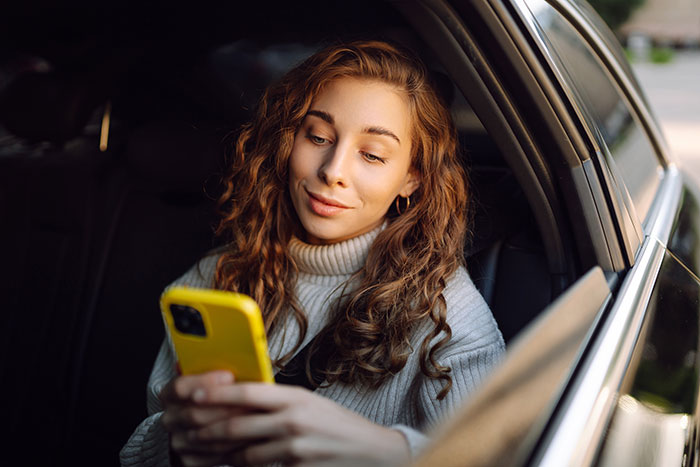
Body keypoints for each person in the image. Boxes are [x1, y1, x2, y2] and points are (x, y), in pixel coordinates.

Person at [121, 40, 504, 467]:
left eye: (372, 155)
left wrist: (392, 453)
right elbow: (149, 442)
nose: (332, 170)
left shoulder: (449, 322)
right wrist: (177, 442)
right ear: (289, 142)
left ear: (412, 178)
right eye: (318, 136)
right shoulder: (214, 278)